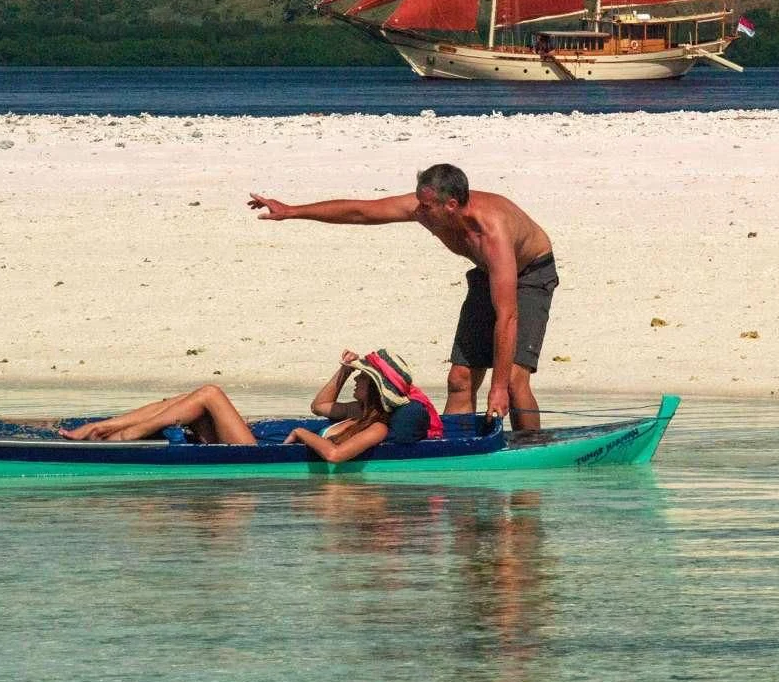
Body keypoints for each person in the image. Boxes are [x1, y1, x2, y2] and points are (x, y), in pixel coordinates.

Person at [247, 164, 556, 431]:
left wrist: (497, 388)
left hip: (529, 275)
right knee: (459, 378)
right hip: (488, 272)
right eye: (419, 202)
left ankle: (530, 446)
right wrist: (292, 211)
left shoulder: (492, 231)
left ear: (451, 205)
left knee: (514, 382)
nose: (418, 211)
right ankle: (450, 451)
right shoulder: (427, 208)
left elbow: (508, 316)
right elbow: (361, 212)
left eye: (426, 206)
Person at [59, 350, 442, 463]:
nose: (357, 381)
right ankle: (107, 428)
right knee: (179, 402)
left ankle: (124, 436)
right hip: (262, 443)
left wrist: (302, 434)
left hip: (259, 453)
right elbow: (320, 404)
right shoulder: (358, 414)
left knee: (210, 393)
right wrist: (341, 372)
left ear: (373, 389)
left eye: (361, 378)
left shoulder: (374, 428)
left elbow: (335, 457)